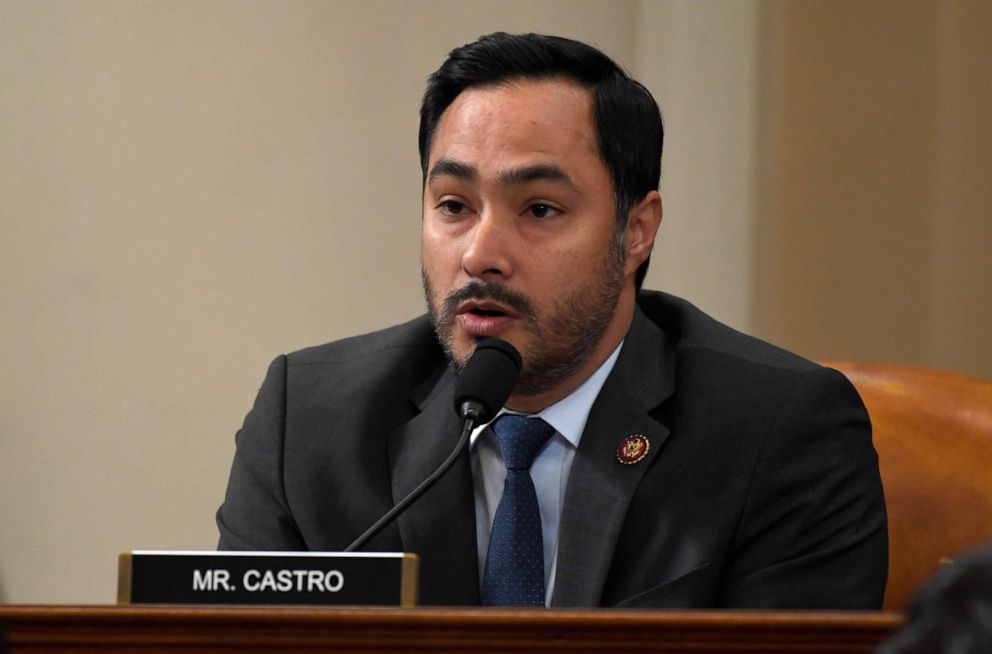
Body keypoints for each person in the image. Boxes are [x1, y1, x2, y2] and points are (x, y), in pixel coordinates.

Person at [217, 32, 887, 608]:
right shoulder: (307, 425)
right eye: (453, 205)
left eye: (539, 210)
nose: (481, 254)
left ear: (636, 231)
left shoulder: (779, 433)